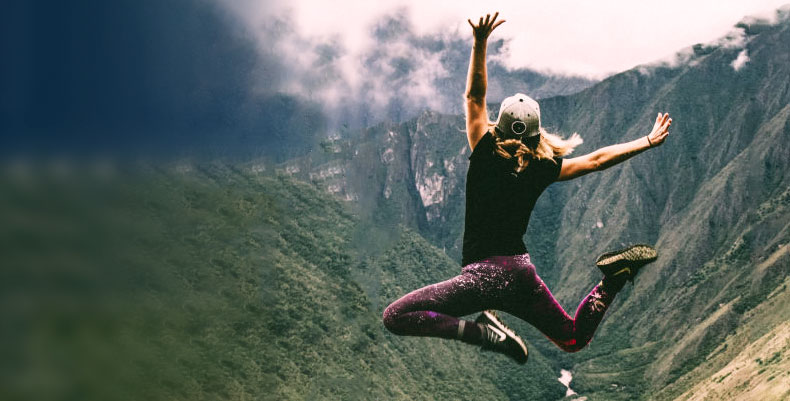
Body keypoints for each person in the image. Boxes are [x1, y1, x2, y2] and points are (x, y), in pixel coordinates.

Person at [382, 12, 672, 364]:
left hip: (482, 278)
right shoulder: (543, 167)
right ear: (537, 134)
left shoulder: (485, 151)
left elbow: (474, 97)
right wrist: (646, 141)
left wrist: (479, 42)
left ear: (498, 126)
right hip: (521, 274)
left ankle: (484, 334)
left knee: (396, 316)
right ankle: (612, 280)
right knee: (572, 337)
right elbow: (597, 160)